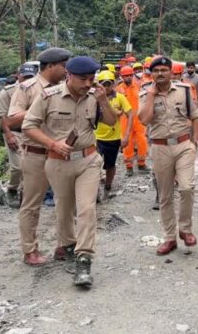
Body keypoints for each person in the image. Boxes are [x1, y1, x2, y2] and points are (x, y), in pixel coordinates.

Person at [23, 56, 116, 287]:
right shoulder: (48, 97)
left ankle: (84, 259)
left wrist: (104, 102)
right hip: (57, 161)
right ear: (69, 76)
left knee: (86, 208)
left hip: (89, 160)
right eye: (83, 79)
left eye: (91, 79)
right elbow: (28, 126)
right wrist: (52, 144)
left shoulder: (95, 97)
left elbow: (112, 122)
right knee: (63, 208)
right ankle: (66, 245)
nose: (88, 83)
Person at [6, 47, 71, 265]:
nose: (66, 70)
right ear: (51, 66)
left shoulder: (65, 87)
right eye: (63, 66)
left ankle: (64, 246)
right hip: (36, 155)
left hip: (61, 154)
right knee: (32, 205)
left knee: (65, 202)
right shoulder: (28, 88)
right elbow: (12, 120)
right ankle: (30, 251)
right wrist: (41, 105)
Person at [138, 56, 198, 255]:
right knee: (165, 195)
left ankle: (185, 229)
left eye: (164, 70)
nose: (160, 74)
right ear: (151, 73)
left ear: (171, 72)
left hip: (183, 144)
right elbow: (144, 120)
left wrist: (195, 140)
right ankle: (169, 237)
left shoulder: (183, 90)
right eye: (156, 71)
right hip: (160, 147)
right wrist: (151, 96)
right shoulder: (144, 93)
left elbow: (195, 116)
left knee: (186, 188)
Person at [0, 63, 37, 208]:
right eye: (24, 77)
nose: (27, 80)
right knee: (18, 166)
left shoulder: (37, 90)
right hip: (14, 131)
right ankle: (12, 189)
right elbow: (2, 117)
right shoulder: (7, 92)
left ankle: (25, 194)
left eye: (30, 77)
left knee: (32, 166)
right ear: (18, 76)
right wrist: (9, 135)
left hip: (33, 132)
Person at [94, 70, 133, 199]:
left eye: (109, 84)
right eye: (103, 84)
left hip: (113, 138)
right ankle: (94, 191)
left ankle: (108, 186)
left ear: (114, 84)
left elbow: (130, 114)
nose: (106, 87)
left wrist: (126, 135)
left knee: (110, 165)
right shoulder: (93, 97)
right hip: (95, 138)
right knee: (93, 165)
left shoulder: (120, 97)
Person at [115, 65, 149, 176]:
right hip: (125, 119)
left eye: (130, 75)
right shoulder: (118, 89)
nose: (128, 77)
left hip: (138, 120)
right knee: (127, 142)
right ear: (122, 76)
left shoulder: (138, 87)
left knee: (142, 141)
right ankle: (129, 166)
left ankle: (141, 163)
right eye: (126, 76)